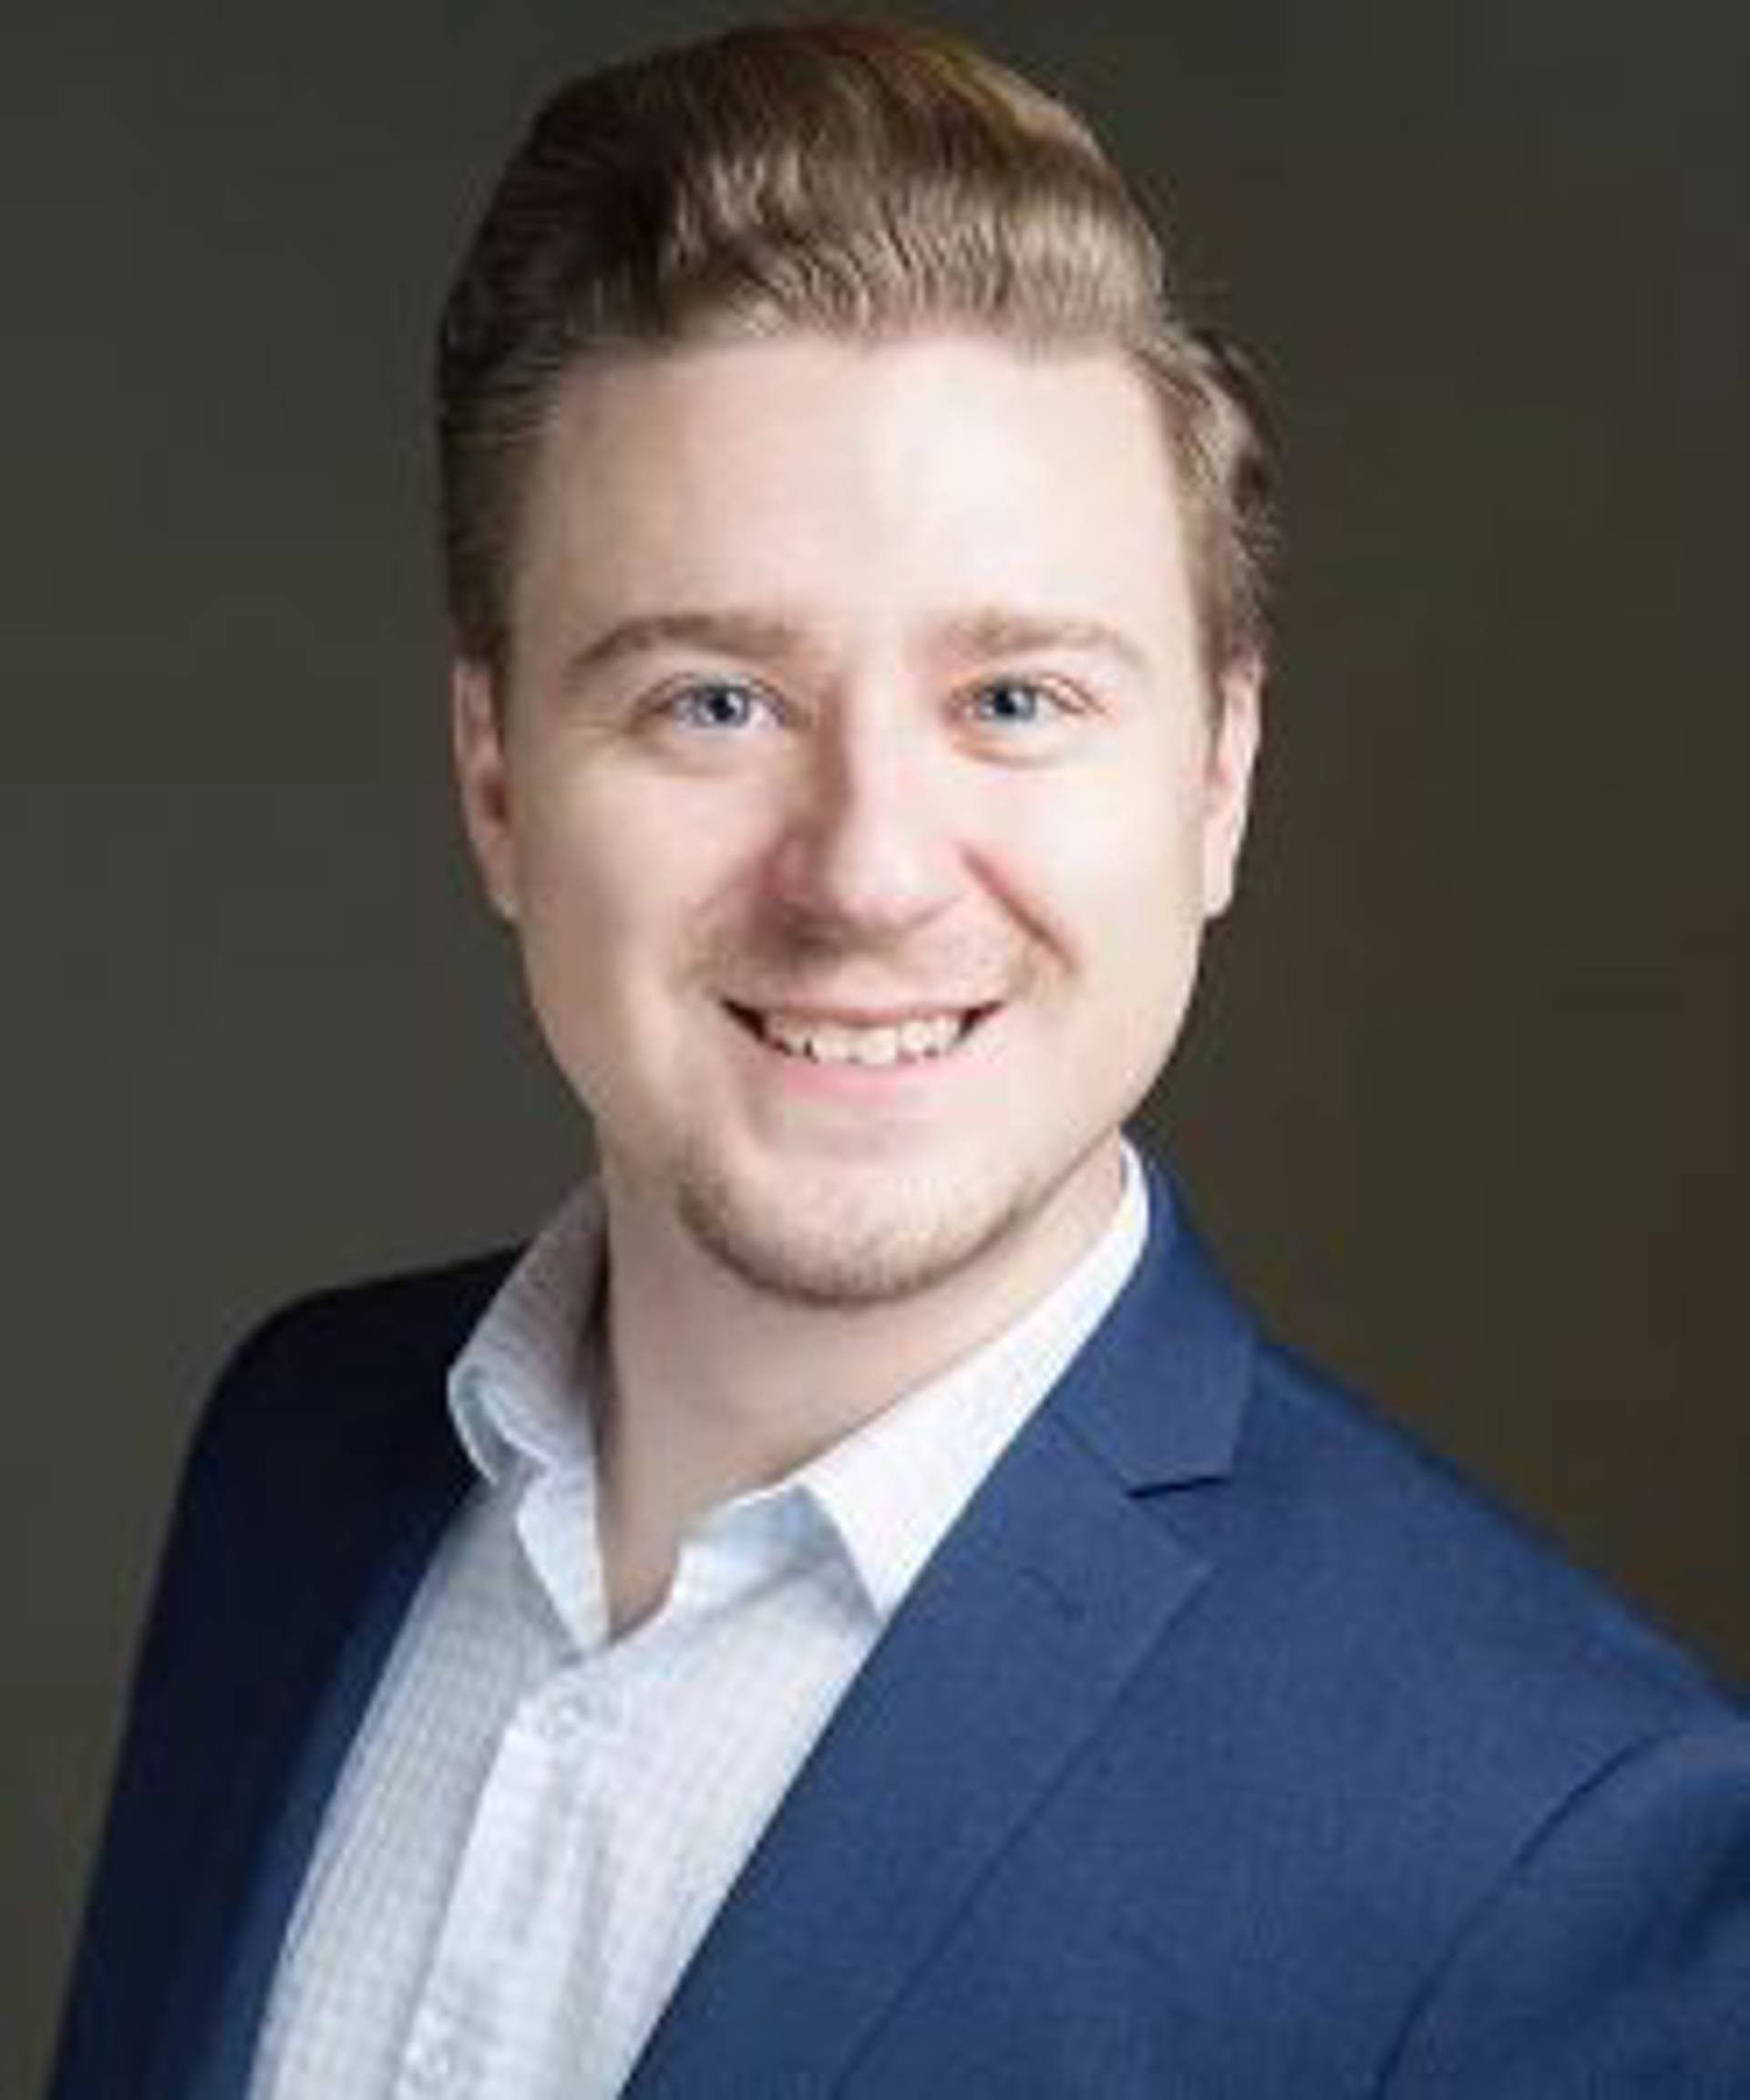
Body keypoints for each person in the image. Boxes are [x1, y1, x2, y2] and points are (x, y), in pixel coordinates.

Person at [53, 19, 1749, 2097]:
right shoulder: (298, 1454)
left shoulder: (1557, 1852)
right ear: (495, 778)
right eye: (713, 701)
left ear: (1218, 778)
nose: (863, 873)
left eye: (1015, 700)